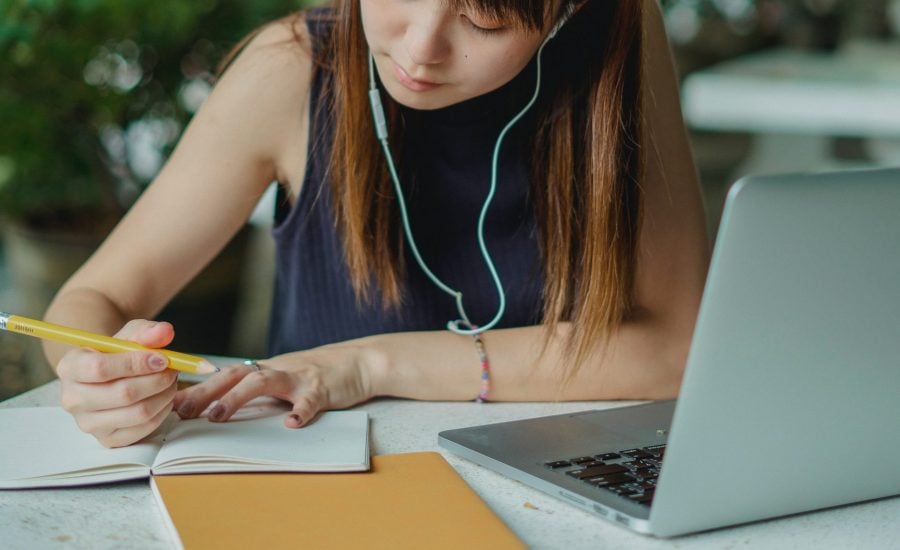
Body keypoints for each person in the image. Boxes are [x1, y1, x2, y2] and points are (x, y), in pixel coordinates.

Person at [44, 0, 709, 448]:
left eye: (485, 20)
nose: (421, 50)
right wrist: (97, 375)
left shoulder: (615, 46)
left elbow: (675, 352)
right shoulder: (291, 69)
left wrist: (368, 365)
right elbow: (93, 299)